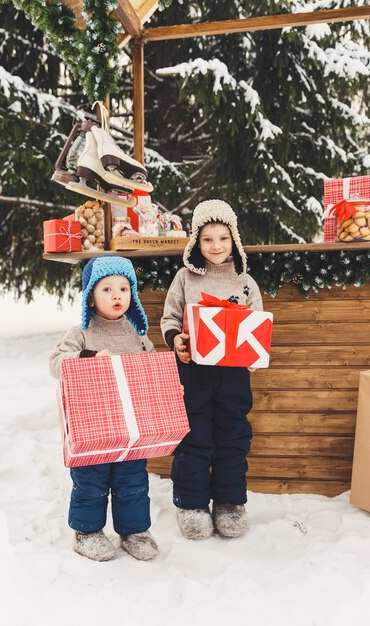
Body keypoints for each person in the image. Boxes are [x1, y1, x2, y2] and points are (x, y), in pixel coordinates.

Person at [160, 198, 263, 541]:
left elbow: (257, 324)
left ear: (233, 238)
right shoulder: (184, 277)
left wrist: (252, 345)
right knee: (194, 435)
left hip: (233, 375)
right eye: (207, 239)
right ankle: (190, 503)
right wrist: (175, 339)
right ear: (195, 241)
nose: (216, 246)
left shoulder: (245, 282)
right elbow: (170, 318)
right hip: (194, 372)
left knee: (233, 436)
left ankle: (230, 502)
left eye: (223, 237)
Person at [49, 256, 159, 562]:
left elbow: (151, 370)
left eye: (124, 288)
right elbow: (56, 363)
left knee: (133, 479)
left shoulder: (137, 336)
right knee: (91, 479)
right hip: (92, 423)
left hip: (130, 426)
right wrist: (89, 358)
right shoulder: (80, 333)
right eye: (107, 289)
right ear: (91, 297)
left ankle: (134, 531)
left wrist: (167, 389)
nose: (116, 295)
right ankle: (87, 532)